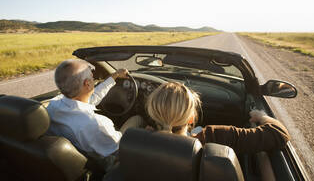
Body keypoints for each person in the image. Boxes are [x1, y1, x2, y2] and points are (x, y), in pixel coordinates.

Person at [145, 82, 290, 154]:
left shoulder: (139, 140)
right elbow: (279, 133)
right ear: (190, 119)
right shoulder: (212, 137)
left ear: (153, 114)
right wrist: (261, 116)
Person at [47, 59, 144, 165]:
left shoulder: (53, 105)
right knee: (137, 119)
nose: (94, 79)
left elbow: (91, 98)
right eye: (93, 77)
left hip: (82, 156)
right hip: (107, 163)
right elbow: (120, 149)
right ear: (87, 84)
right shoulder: (97, 124)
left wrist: (114, 76)